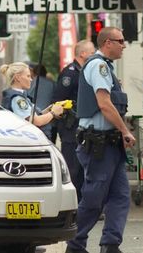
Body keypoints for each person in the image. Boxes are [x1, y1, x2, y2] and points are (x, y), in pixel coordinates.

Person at [65, 27, 136, 253]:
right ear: (107, 43)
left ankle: (110, 244)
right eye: (120, 41)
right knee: (95, 198)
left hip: (109, 143)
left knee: (121, 196)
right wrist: (125, 130)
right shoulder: (99, 66)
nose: (124, 45)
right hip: (99, 144)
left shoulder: (106, 67)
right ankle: (75, 245)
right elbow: (104, 104)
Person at [52, 40, 96, 201]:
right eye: (92, 52)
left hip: (83, 128)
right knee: (73, 169)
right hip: (71, 129)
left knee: (84, 168)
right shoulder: (70, 74)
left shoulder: (85, 71)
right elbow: (58, 101)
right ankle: (72, 204)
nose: (94, 54)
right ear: (82, 54)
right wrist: (62, 128)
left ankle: (83, 204)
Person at [0, 62, 63, 128]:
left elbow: (33, 116)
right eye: (28, 76)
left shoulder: (19, 96)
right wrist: (53, 112)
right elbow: (37, 121)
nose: (31, 79)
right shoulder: (18, 99)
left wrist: (48, 110)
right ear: (17, 77)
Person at [27, 63, 57, 142]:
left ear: (34, 72)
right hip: (49, 119)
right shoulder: (52, 84)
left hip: (32, 119)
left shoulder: (31, 83)